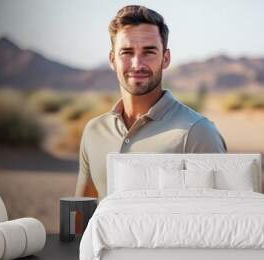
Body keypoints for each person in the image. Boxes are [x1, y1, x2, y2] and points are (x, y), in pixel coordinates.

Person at [75, 5, 227, 200]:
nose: (137, 64)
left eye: (148, 52)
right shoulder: (93, 131)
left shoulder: (198, 133)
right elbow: (80, 219)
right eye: (127, 52)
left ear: (165, 58)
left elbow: (220, 219)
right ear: (112, 59)